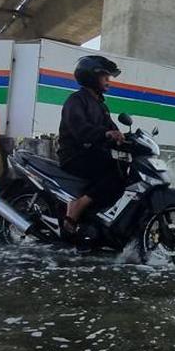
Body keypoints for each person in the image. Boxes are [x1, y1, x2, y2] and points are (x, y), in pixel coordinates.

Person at [58, 55, 126, 236]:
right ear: (91, 77)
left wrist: (127, 139)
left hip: (93, 154)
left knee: (124, 171)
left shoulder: (100, 104)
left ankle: (99, 218)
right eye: (105, 76)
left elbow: (112, 128)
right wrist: (106, 134)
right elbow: (80, 129)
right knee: (115, 175)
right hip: (74, 156)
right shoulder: (76, 100)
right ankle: (76, 207)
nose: (108, 81)